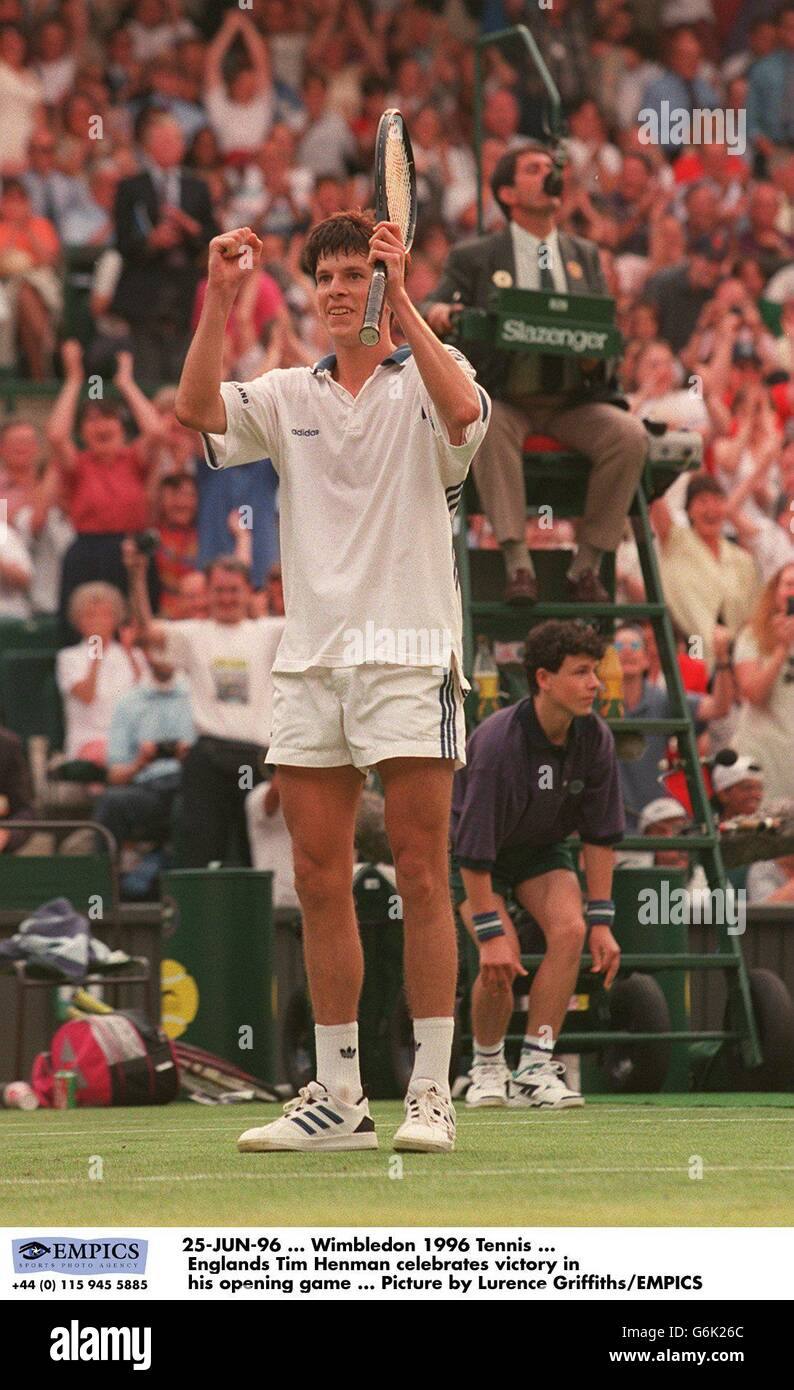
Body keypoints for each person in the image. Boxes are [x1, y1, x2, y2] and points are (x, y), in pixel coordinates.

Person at [175, 210, 489, 1155]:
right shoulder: (282, 393)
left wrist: (411, 308)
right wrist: (221, 296)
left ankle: (431, 1090)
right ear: (311, 290)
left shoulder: (438, 380)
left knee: (423, 870)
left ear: (383, 285)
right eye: (330, 277)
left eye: (360, 274)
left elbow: (468, 417)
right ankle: (340, 1098)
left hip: (408, 654)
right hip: (311, 662)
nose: (343, 289)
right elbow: (196, 410)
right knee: (318, 877)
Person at [424, 140, 647, 606]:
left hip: (572, 401)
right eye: (533, 168)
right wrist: (443, 312)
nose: (549, 174)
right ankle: (517, 562)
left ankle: (586, 566)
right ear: (507, 193)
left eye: (551, 168)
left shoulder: (583, 255)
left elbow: (602, 332)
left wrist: (593, 358)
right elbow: (429, 307)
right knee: (487, 422)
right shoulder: (476, 257)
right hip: (507, 394)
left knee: (629, 436)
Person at [450, 620, 624, 1110]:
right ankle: (485, 1066)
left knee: (571, 929)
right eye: (582, 672)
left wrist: (602, 923)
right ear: (544, 679)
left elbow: (600, 837)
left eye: (595, 672)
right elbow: (474, 846)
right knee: (500, 959)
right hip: (473, 856)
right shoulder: (497, 745)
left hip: (541, 850)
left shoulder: (596, 738)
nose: (595, 683)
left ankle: (535, 1065)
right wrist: (489, 931)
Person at [125, 548, 284, 869]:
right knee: (202, 847)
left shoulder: (269, 632)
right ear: (208, 594)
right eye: (219, 591)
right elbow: (146, 632)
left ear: (248, 592)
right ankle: (203, 916)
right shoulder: (193, 634)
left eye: (234, 590)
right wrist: (137, 575)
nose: (227, 598)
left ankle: (259, 916)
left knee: (253, 850)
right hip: (208, 757)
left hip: (255, 757)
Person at [111, 112, 217, 389]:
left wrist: (190, 227)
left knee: (183, 371)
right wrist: (152, 241)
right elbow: (121, 242)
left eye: (177, 140)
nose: (175, 146)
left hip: (187, 290)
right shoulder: (130, 187)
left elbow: (214, 238)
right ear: (149, 146)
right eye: (166, 141)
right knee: (147, 372)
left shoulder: (198, 187)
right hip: (145, 290)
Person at [614, 621, 734, 829]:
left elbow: (719, 707)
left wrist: (723, 659)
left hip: (652, 820)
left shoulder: (661, 699)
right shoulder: (592, 702)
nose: (626, 653)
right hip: (608, 819)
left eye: (634, 647)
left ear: (646, 659)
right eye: (618, 647)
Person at [651, 474, 761, 670]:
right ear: (689, 509)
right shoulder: (676, 541)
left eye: (718, 501)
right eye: (702, 501)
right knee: (696, 675)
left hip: (733, 651)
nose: (711, 509)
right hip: (692, 641)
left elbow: (751, 617)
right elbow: (655, 499)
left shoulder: (741, 559)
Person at [93, 645, 194, 857]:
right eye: (157, 650)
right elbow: (114, 775)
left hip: (194, 785)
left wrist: (193, 756)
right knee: (112, 801)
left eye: (168, 648)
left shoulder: (199, 696)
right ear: (146, 654)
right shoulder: (127, 703)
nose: (164, 656)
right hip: (150, 789)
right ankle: (103, 885)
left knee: (197, 802)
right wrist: (140, 762)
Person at [55, 582, 144, 764]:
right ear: (78, 620)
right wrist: (96, 651)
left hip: (131, 738)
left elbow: (145, 693)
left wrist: (130, 653)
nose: (98, 622)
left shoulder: (133, 654)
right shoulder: (69, 657)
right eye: (90, 616)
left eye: (105, 615)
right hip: (89, 739)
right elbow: (86, 695)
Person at [733, 560, 794, 806]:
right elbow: (753, 693)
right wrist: (782, 648)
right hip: (763, 753)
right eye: (789, 584)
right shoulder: (752, 635)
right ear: (776, 591)